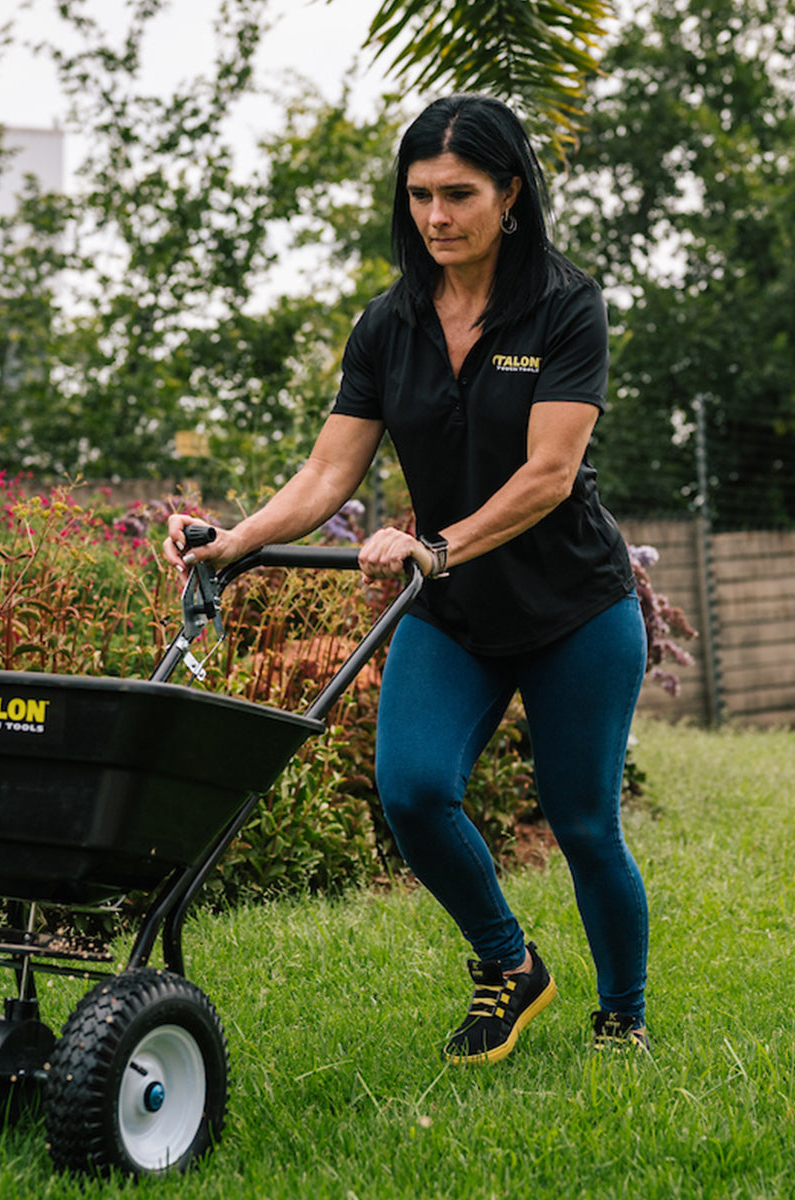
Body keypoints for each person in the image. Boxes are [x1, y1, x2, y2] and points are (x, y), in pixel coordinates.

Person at [163, 94, 650, 1062]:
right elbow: (327, 473)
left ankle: (621, 1020)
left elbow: (550, 474)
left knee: (583, 821)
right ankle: (510, 964)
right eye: (420, 194)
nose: (436, 215)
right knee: (414, 790)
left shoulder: (565, 305)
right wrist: (237, 539)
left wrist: (440, 543)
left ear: (510, 195)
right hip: (454, 611)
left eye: (459, 194)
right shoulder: (388, 325)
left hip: (575, 608)